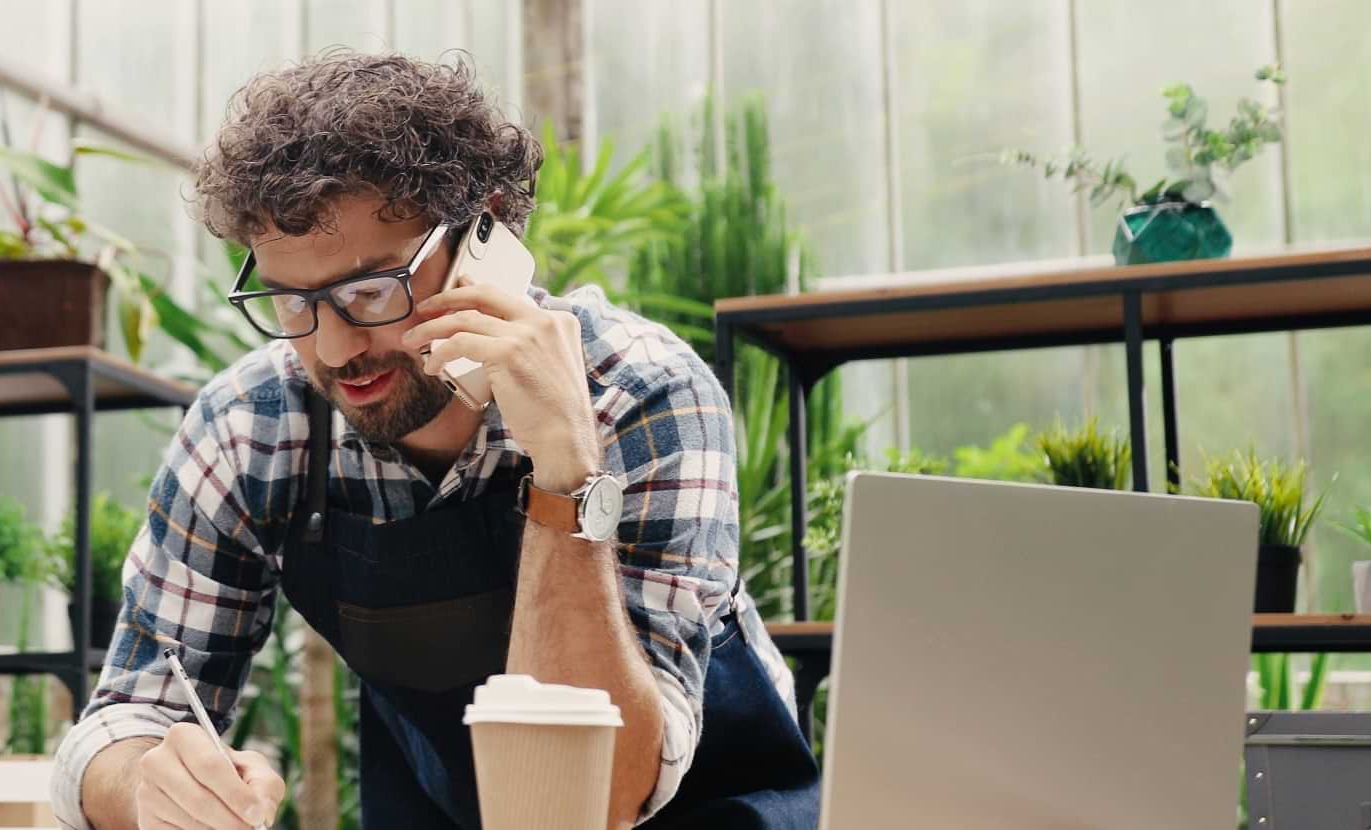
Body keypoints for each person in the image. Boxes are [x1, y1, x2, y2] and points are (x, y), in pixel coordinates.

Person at [50, 50, 820, 830]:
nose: (337, 347)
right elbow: (124, 718)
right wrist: (148, 786)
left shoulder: (640, 393)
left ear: (483, 232)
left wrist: (566, 475)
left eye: (371, 291)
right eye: (292, 301)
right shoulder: (253, 428)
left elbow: (603, 798)